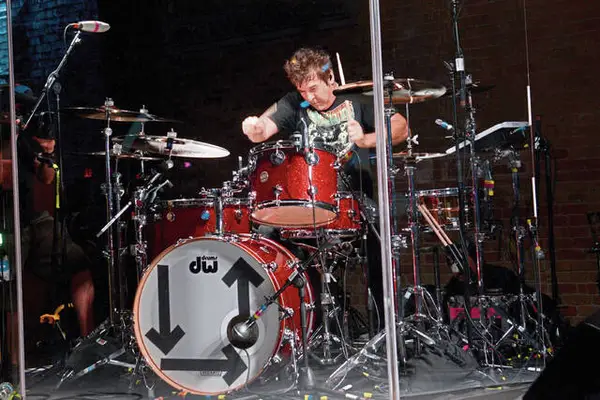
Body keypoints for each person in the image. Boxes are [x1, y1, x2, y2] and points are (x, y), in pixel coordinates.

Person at [242, 47, 408, 331]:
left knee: (380, 239)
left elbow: (401, 127)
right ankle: (301, 324)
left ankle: (387, 330)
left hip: (354, 199)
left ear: (330, 79)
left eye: (313, 89)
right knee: (266, 232)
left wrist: (366, 140)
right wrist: (253, 128)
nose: (309, 97)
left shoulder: (357, 99)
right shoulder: (294, 103)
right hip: (308, 202)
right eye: (302, 91)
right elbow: (263, 129)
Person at [18, 111, 95, 341]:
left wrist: (47, 153)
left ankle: (86, 342)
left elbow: (47, 178)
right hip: (9, 222)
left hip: (34, 219)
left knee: (79, 263)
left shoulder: (21, 139)